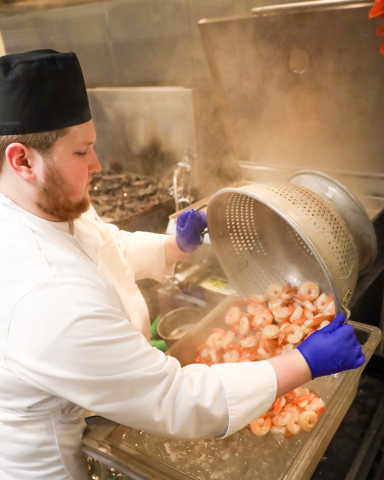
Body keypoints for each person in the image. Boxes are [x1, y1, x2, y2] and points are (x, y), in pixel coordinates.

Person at [0, 50, 365, 480]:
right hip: (56, 464)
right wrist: (303, 362)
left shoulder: (38, 205)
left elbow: (104, 246)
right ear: (22, 161)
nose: (97, 165)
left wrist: (176, 246)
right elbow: (176, 399)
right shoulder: (45, 296)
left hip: (97, 401)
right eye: (82, 153)